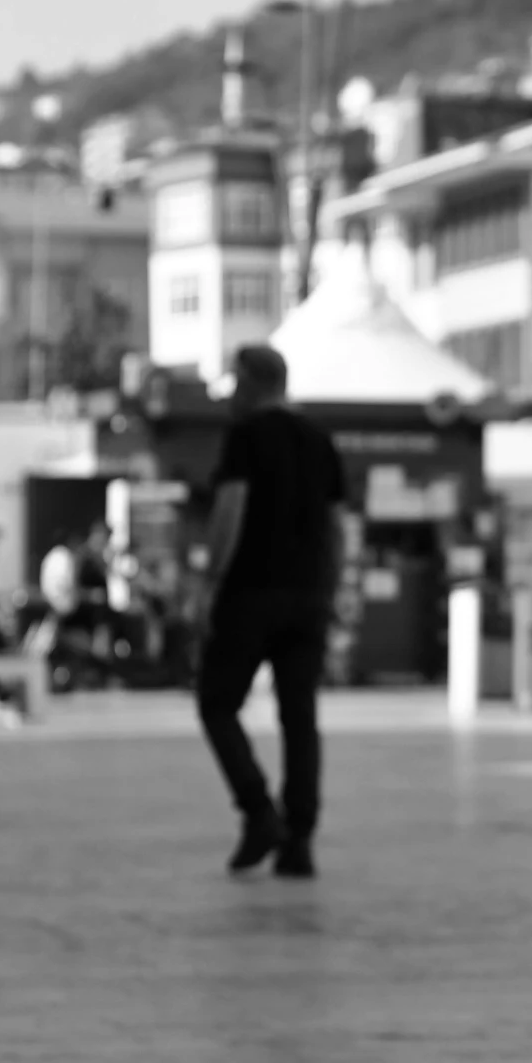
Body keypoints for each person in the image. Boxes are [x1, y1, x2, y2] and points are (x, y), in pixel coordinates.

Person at [195, 342, 347, 876]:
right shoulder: (318, 439)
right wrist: (333, 591)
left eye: (234, 382)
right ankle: (299, 841)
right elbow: (336, 526)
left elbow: (229, 512)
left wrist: (210, 583)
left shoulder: (245, 437)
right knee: (299, 717)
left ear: (253, 381)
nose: (229, 395)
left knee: (216, 703)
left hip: (251, 593)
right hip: (309, 597)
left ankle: (260, 812)